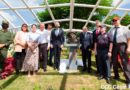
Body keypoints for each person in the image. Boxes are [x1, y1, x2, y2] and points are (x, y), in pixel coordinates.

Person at [108, 16, 130, 88]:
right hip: (114, 46)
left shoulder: (125, 28)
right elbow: (109, 38)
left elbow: (128, 39)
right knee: (114, 62)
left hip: (122, 46)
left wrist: (129, 47)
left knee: (125, 62)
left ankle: (128, 80)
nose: (114, 21)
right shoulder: (112, 29)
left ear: (119, 20)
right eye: (113, 21)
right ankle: (116, 76)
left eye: (115, 20)